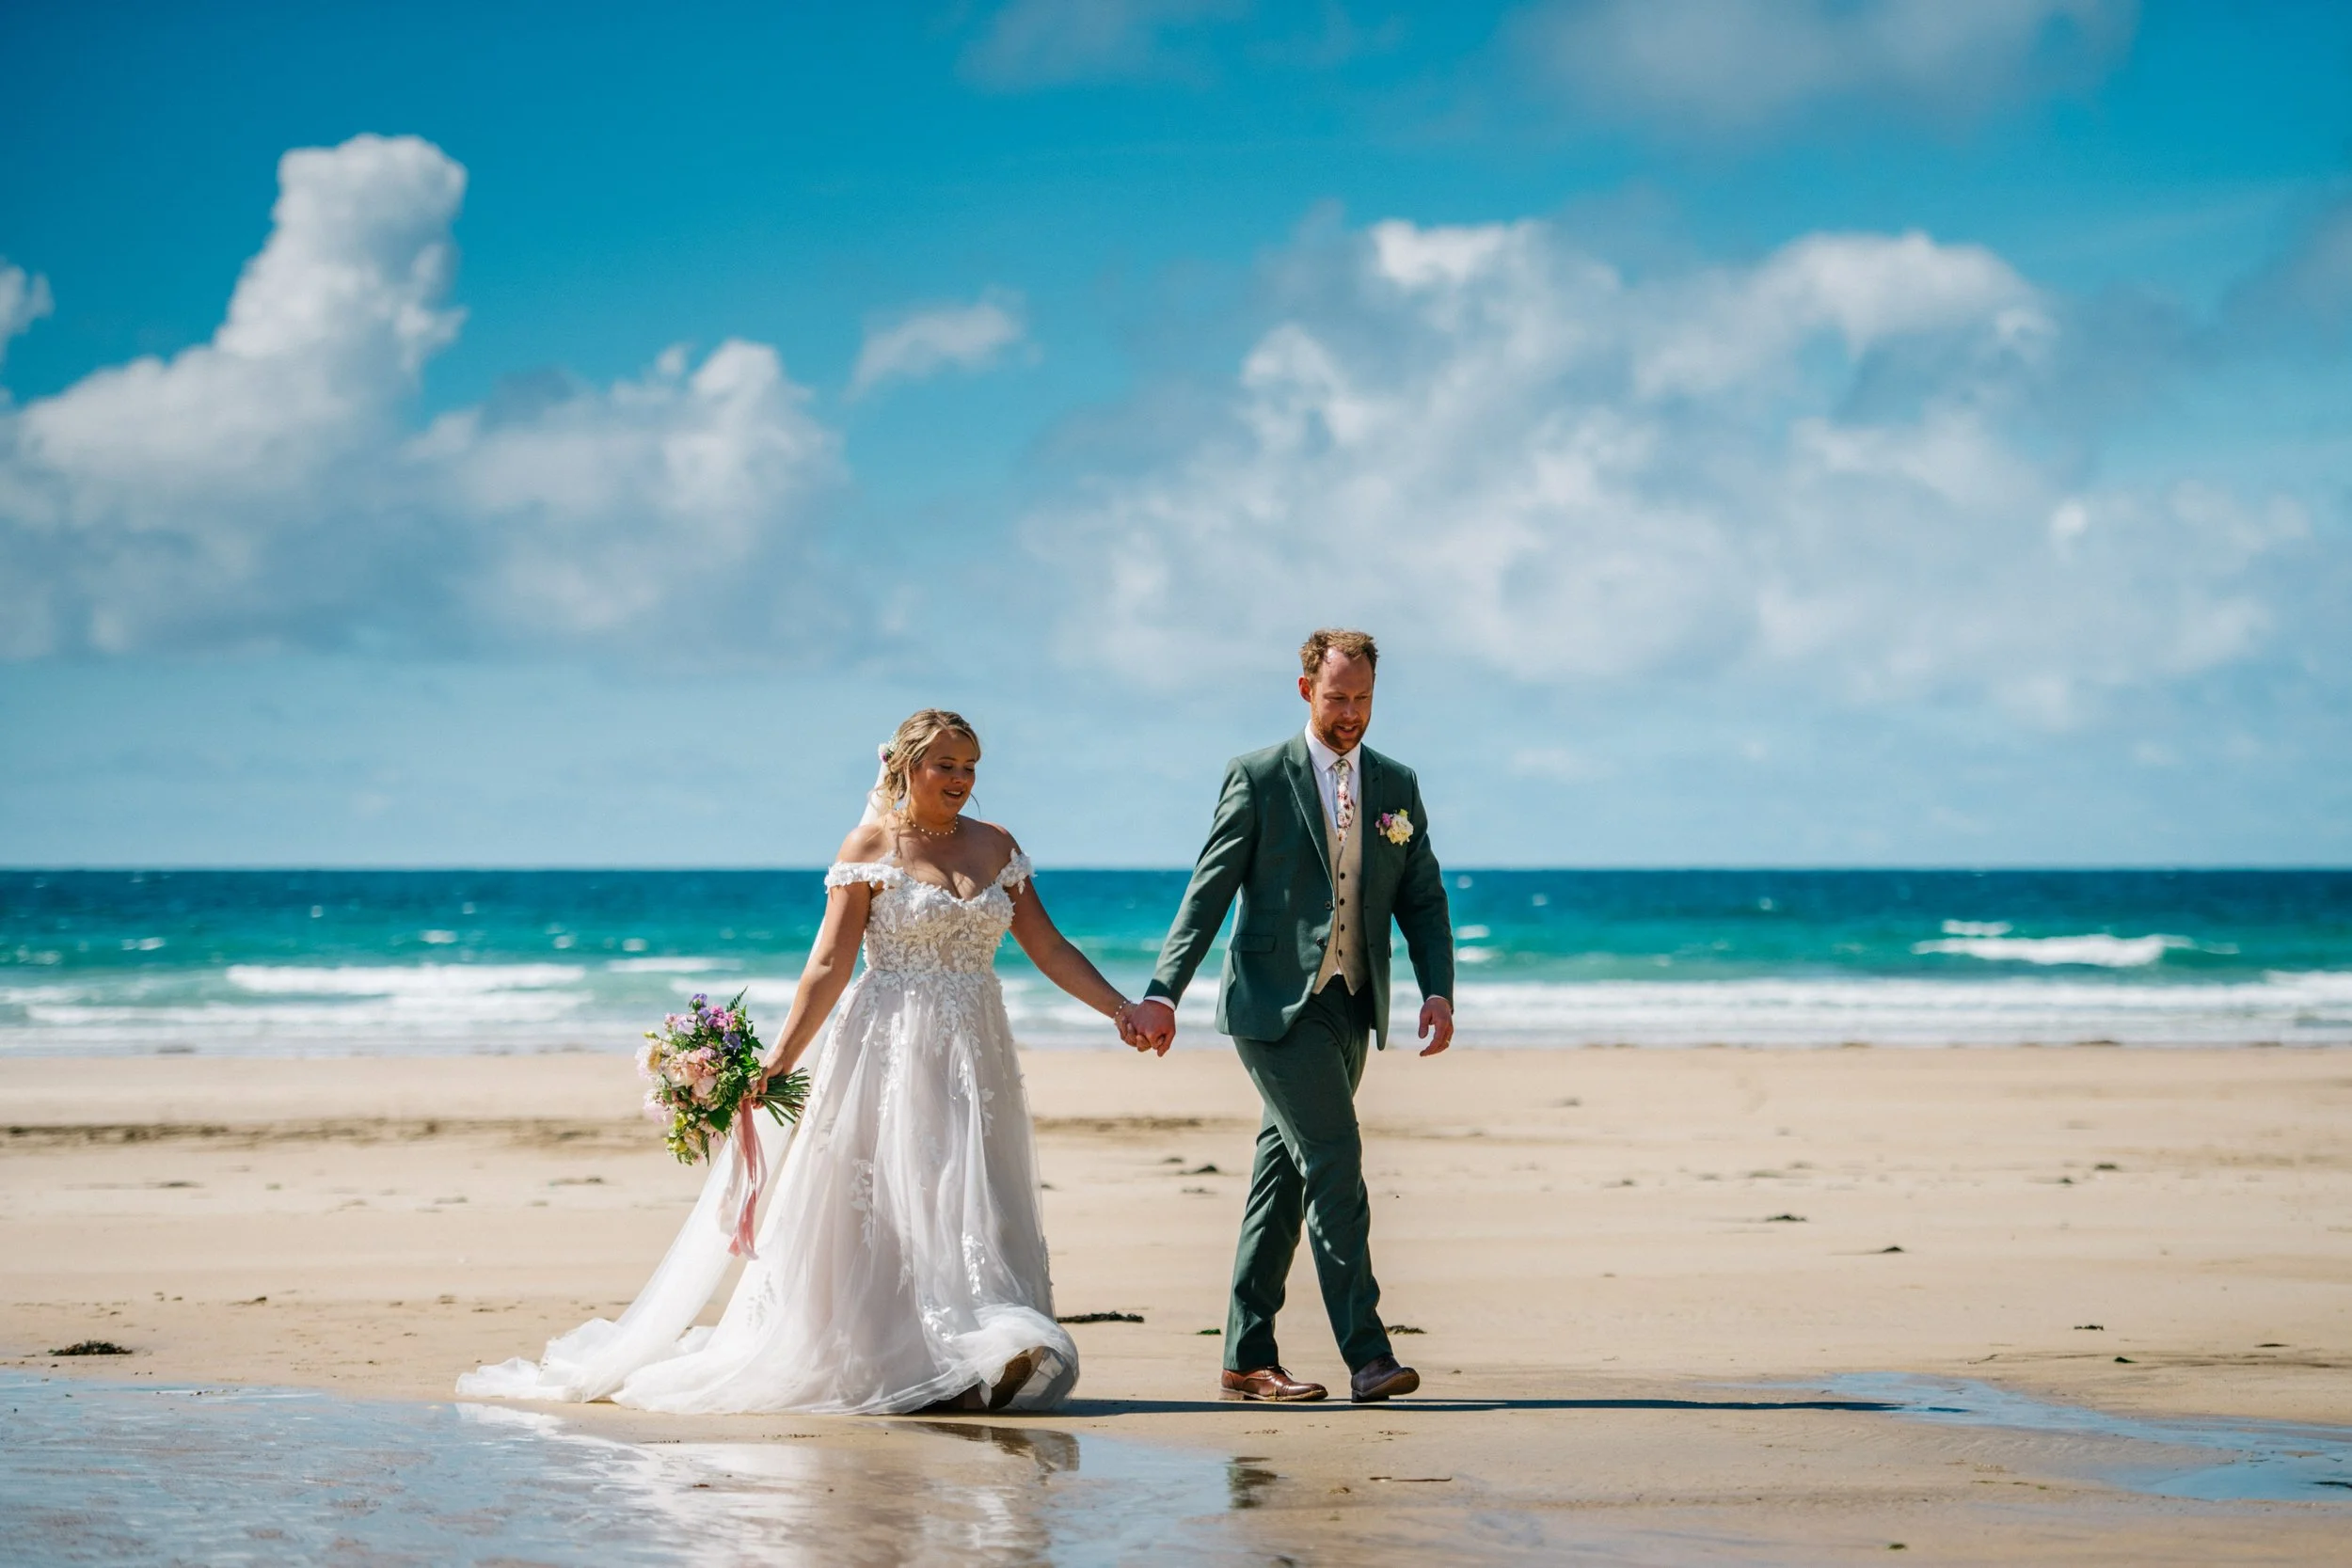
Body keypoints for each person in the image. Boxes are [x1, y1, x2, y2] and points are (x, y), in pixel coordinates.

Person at [459, 708, 1158, 1414]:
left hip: (977, 1048)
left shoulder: (997, 844)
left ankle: (979, 1349)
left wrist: (1121, 1008)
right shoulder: (871, 845)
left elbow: (1049, 945)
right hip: (887, 1045)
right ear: (907, 766)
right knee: (895, 1192)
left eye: (970, 765)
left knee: (969, 1189)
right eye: (945, 764)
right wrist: (783, 1058)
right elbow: (828, 962)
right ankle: (901, 1355)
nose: (960, 778)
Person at [1126, 628, 1455, 1404]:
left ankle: (1246, 1356)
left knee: (1283, 1180)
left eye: (1363, 699)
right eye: (1337, 697)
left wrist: (1438, 988)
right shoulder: (1259, 775)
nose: (1351, 714)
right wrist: (1163, 991)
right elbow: (1208, 890)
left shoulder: (1397, 784)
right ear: (1306, 689)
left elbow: (1424, 895)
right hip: (1272, 1008)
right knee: (1336, 1159)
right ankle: (1369, 1356)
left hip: (1352, 1005)